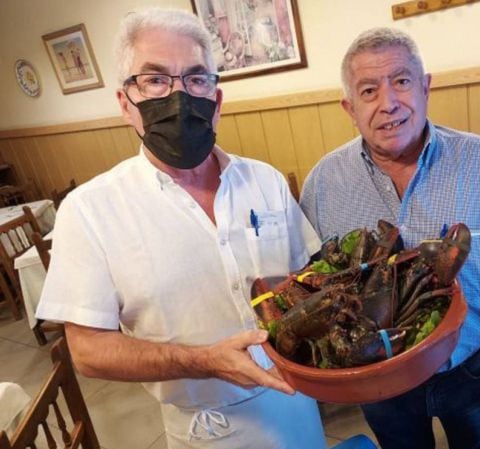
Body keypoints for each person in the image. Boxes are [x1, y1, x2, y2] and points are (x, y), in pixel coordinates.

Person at [35, 8, 327, 449]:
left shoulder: (265, 180)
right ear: (125, 103)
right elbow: (89, 351)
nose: (179, 97)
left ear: (217, 98)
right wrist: (203, 361)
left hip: (299, 402)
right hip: (207, 429)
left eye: (195, 79)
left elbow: (307, 277)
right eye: (155, 80)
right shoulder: (90, 210)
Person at [300, 27, 480, 449]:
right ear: (349, 107)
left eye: (402, 81)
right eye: (369, 91)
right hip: (378, 381)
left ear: (426, 87)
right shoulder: (322, 183)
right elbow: (310, 281)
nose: (388, 103)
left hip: (470, 366)